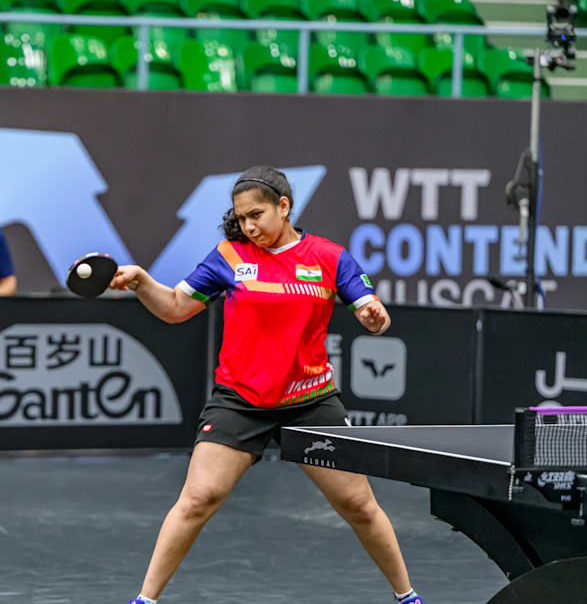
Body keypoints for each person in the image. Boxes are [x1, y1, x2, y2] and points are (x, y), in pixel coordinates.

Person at [110, 166, 423, 604]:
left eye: (256, 214)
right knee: (198, 498)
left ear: (284, 206)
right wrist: (142, 281)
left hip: (310, 402)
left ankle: (407, 596)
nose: (249, 226)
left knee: (359, 507)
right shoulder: (230, 257)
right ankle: (144, 600)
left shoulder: (329, 257)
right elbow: (176, 308)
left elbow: (372, 308)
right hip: (240, 401)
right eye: (241, 219)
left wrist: (375, 316)